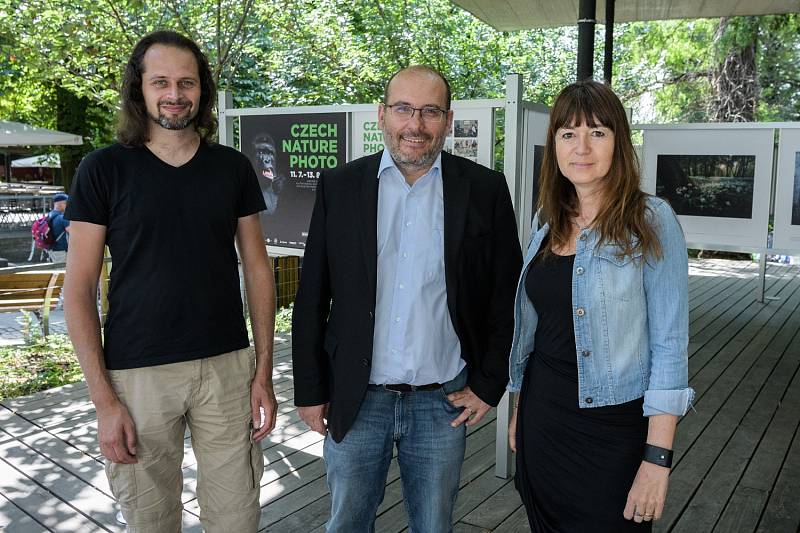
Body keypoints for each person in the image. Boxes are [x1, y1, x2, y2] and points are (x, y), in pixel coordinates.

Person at [292, 65, 522, 532]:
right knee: (347, 524)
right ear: (382, 115)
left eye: (430, 111)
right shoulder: (340, 186)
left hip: (441, 403)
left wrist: (489, 383)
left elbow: (506, 297)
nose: (415, 125)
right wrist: (311, 389)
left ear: (449, 119)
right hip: (356, 400)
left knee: (433, 526)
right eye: (403, 109)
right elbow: (311, 295)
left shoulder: (484, 189)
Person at [63, 31, 277, 533]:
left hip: (226, 369)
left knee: (237, 518)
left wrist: (262, 371)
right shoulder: (103, 170)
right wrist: (104, 402)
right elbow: (78, 291)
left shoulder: (231, 168)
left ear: (202, 90)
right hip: (138, 376)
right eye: (160, 82)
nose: (175, 93)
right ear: (138, 89)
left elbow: (259, 269)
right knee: (150, 521)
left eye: (187, 82)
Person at [507, 80, 695, 532]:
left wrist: (657, 460)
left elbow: (669, 346)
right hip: (543, 420)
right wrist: (519, 410)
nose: (582, 147)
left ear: (619, 142)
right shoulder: (546, 218)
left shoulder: (651, 221)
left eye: (598, 132)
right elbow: (538, 330)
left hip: (613, 432)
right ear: (554, 145)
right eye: (568, 134)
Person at [48, 192, 70, 264]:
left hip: (51, 251)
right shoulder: (63, 217)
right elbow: (74, 233)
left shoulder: (49, 215)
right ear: (60, 203)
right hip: (62, 251)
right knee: (63, 273)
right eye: (66, 203)